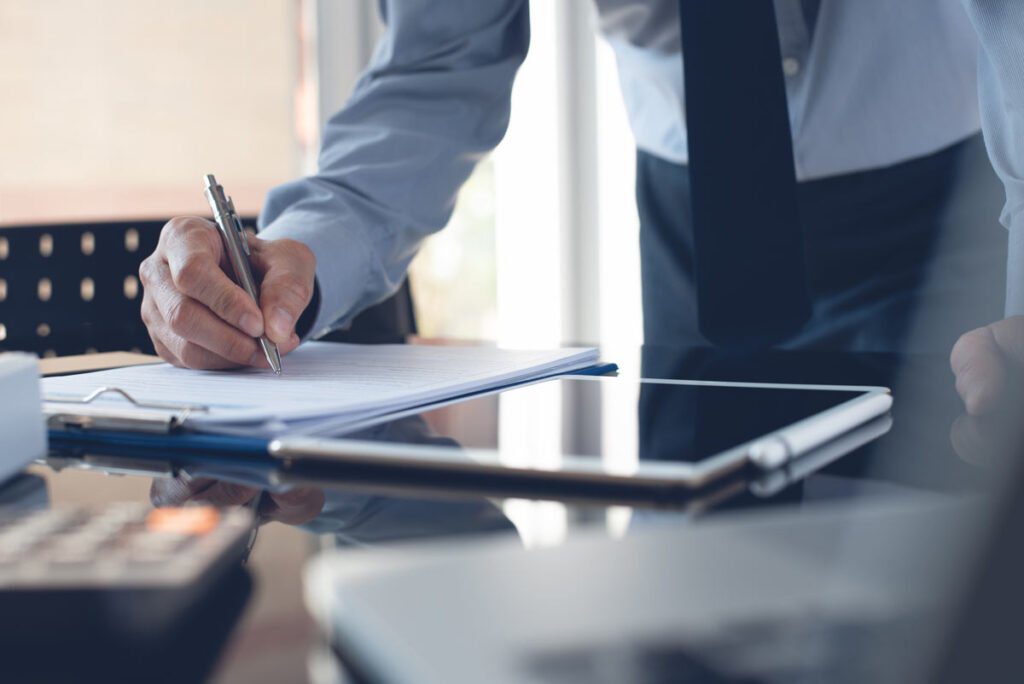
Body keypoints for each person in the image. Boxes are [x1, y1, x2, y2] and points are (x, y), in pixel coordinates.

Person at [138, 0, 1024, 417]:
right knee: (692, 595)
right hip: (701, 227)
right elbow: (438, 65)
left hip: (970, 208)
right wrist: (296, 253)